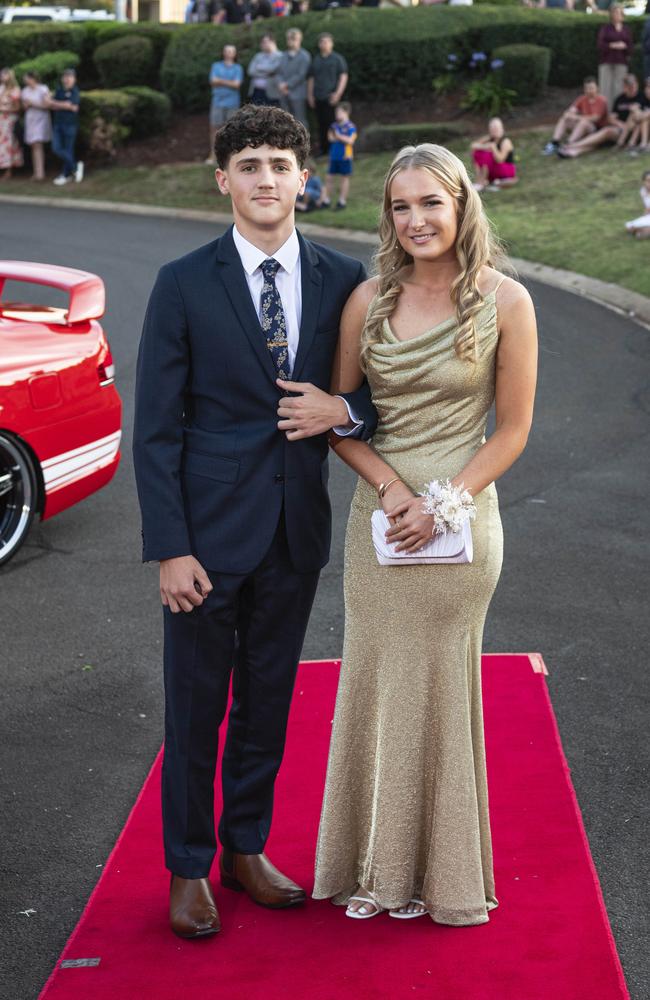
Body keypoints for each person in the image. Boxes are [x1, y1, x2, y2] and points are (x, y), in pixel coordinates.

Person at [132, 105, 378, 940]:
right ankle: (188, 867)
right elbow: (158, 426)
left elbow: (376, 398)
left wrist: (341, 408)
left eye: (279, 164)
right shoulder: (184, 282)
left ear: (303, 177)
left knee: (267, 703)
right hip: (203, 540)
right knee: (195, 708)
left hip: (293, 533)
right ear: (223, 181)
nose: (265, 179)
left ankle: (245, 849)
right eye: (249, 166)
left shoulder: (346, 279)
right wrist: (169, 547)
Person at [312, 142, 537, 923]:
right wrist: (392, 490)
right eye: (401, 206)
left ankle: (438, 876)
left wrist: (443, 501)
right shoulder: (366, 300)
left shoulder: (506, 300)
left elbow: (511, 431)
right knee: (374, 681)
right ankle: (375, 868)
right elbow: (342, 422)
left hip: (462, 523)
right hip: (377, 518)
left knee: (439, 686)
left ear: (462, 203)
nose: (415, 219)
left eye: (430, 203)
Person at [556, 74, 639, 158]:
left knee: (605, 131)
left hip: (632, 131)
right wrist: (620, 124)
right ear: (624, 86)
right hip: (619, 129)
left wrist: (629, 124)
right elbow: (611, 118)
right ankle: (573, 151)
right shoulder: (619, 99)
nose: (631, 87)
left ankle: (572, 145)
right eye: (628, 85)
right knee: (597, 141)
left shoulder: (641, 98)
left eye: (632, 85)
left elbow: (596, 118)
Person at [542, 77, 608, 156]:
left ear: (597, 88)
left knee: (584, 122)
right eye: (586, 88)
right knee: (565, 119)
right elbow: (571, 110)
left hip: (596, 129)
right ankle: (555, 142)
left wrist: (576, 117)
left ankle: (569, 143)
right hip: (582, 126)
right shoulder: (582, 99)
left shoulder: (601, 100)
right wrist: (569, 114)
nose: (589, 91)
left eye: (591, 88)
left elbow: (595, 118)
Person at [307, 34, 348, 156]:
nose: (324, 44)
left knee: (333, 124)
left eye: (327, 42)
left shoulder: (337, 59)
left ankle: (334, 150)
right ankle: (323, 150)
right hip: (318, 97)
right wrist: (310, 95)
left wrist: (338, 93)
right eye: (322, 42)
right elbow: (311, 78)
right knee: (321, 125)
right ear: (319, 44)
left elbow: (343, 76)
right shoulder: (316, 60)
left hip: (331, 97)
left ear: (332, 43)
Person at [205, 44, 243, 165]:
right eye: (227, 51)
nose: (229, 53)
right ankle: (214, 154)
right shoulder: (216, 66)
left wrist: (220, 81)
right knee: (215, 128)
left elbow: (236, 85)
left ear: (235, 54)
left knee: (231, 129)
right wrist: (229, 82)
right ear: (223, 52)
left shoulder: (238, 68)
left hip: (232, 102)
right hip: (217, 100)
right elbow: (213, 81)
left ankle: (230, 155)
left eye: (231, 51)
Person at [318, 102, 357, 210]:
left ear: (347, 112)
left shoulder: (351, 126)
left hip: (345, 157)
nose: (337, 114)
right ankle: (326, 200)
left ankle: (342, 201)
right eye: (336, 112)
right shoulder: (334, 126)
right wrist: (341, 138)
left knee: (344, 178)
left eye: (340, 112)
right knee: (329, 178)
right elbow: (330, 138)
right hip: (334, 156)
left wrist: (339, 136)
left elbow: (350, 141)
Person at [597, 4, 633, 111]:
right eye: (615, 12)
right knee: (605, 88)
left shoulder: (626, 29)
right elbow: (600, 45)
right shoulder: (605, 28)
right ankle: (606, 112)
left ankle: (618, 112)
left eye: (619, 12)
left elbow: (630, 46)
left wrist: (624, 46)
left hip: (621, 62)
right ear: (611, 14)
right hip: (607, 61)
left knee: (620, 88)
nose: (617, 15)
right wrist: (611, 45)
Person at [50, 68, 83, 186]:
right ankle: (75, 167)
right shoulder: (59, 90)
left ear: (74, 79)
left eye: (70, 77)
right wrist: (64, 104)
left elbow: (74, 107)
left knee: (68, 149)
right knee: (56, 148)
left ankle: (65, 174)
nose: (67, 79)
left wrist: (59, 104)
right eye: (65, 77)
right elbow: (51, 105)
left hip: (70, 125)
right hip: (58, 124)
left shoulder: (75, 91)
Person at [470, 117, 517, 191]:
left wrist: (493, 148)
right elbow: (473, 145)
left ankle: (481, 183)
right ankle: (479, 180)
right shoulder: (490, 138)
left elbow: (500, 160)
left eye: (497, 128)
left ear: (502, 128)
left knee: (487, 154)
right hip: (494, 169)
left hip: (506, 169)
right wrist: (485, 146)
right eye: (493, 128)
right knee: (477, 153)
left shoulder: (505, 141)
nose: (495, 130)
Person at [21, 71, 52, 182]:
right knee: (33, 145)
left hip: (41, 119)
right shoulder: (25, 91)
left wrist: (32, 103)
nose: (25, 81)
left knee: (37, 144)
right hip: (30, 119)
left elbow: (46, 105)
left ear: (33, 78)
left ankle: (40, 173)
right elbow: (24, 106)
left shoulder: (43, 89)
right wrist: (27, 105)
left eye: (27, 78)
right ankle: (37, 172)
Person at [278, 27, 311, 129]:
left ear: (299, 40)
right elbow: (279, 72)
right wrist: (281, 84)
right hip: (283, 93)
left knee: (300, 120)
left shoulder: (305, 56)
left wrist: (287, 85)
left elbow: (301, 75)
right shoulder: (283, 55)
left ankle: (303, 144)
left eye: (294, 39)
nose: (291, 41)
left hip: (298, 93)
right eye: (289, 39)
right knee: (285, 121)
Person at [0, 68, 23, 180]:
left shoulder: (15, 89)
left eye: (4, 75)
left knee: (9, 143)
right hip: (1, 120)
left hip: (9, 120)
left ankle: (8, 170)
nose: (2, 77)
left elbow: (18, 107)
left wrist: (5, 109)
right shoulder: (1, 88)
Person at [248, 33, 283, 107]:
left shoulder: (280, 56)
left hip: (272, 92)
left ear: (273, 42)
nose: (262, 44)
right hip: (256, 92)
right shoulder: (258, 56)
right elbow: (251, 71)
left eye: (265, 42)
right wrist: (267, 73)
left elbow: (273, 69)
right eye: (262, 42)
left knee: (271, 117)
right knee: (256, 116)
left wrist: (259, 68)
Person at [625, 169, 650, 238]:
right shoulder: (643, 191)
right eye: (648, 181)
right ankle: (641, 231)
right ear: (644, 182)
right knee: (629, 227)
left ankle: (642, 232)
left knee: (639, 234)